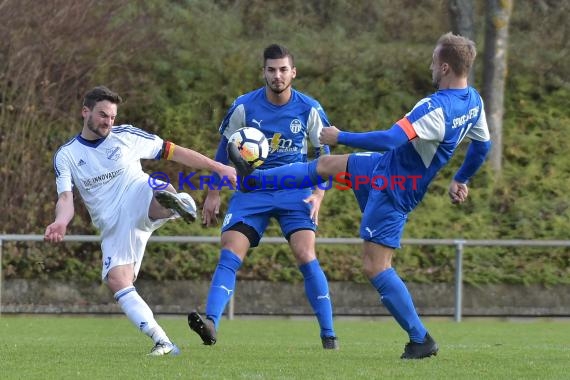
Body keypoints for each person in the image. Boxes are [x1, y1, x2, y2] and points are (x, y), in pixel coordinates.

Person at [229, 32, 491, 359]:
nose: (431, 66)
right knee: (325, 164)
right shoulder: (474, 101)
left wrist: (342, 135)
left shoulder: (435, 108)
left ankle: (420, 338)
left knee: (375, 266)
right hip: (384, 168)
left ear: (446, 66)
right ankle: (251, 177)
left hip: (394, 188)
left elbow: (391, 139)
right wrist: (461, 178)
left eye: (434, 61)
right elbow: (483, 146)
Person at [44, 85, 236, 356]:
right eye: (102, 115)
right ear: (85, 112)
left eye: (112, 117)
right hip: (112, 223)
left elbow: (174, 151)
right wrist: (61, 222)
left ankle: (175, 204)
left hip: (137, 193)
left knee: (157, 188)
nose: (108, 122)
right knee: (117, 281)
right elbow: (65, 199)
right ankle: (164, 343)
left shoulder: (125, 136)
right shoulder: (67, 155)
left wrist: (219, 167)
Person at [188, 44, 339, 349]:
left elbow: (326, 157)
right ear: (263, 72)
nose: (277, 75)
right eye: (271, 69)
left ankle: (329, 334)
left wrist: (318, 196)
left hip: (294, 190)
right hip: (251, 190)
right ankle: (212, 323)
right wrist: (214, 192)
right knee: (230, 251)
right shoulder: (244, 106)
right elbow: (224, 150)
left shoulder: (309, 108)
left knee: (305, 253)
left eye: (283, 69)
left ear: (293, 72)